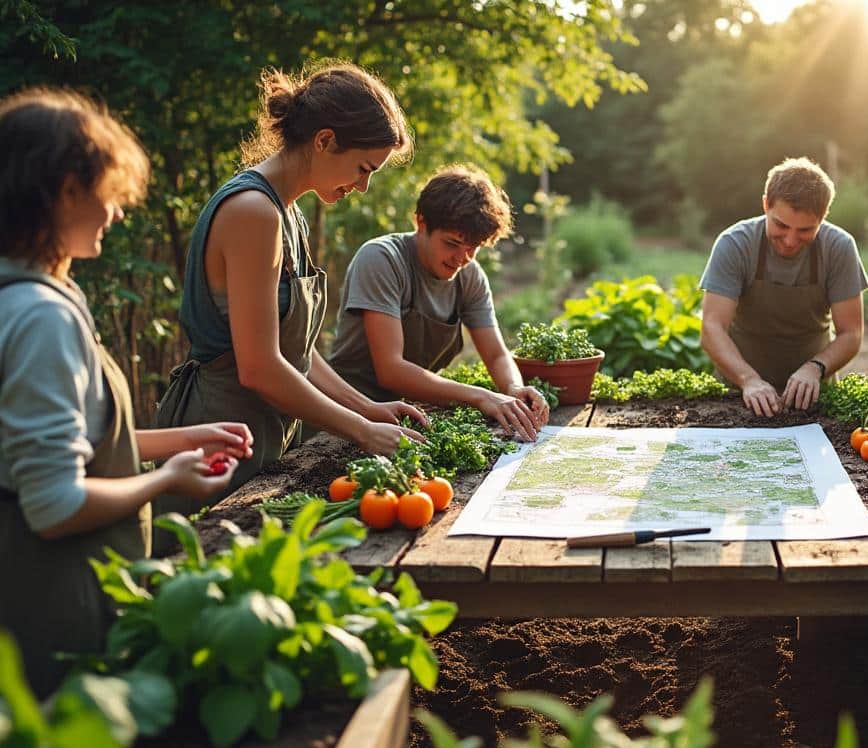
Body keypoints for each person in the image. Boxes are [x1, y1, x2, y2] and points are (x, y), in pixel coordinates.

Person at [0, 88, 248, 695]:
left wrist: (175, 441)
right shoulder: (39, 317)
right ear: (63, 190)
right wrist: (168, 480)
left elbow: (52, 446)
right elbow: (55, 505)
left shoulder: (25, 296)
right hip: (51, 599)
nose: (115, 213)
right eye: (107, 194)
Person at [155, 62, 426, 514]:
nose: (362, 186)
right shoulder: (253, 212)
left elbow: (294, 350)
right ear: (324, 141)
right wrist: (361, 430)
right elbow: (259, 367)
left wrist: (370, 408)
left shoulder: (289, 213)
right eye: (363, 168)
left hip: (261, 432)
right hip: (217, 437)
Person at [327, 164, 549, 439]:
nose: (462, 258)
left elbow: (495, 354)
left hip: (408, 414)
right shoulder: (381, 260)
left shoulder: (469, 277)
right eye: (452, 243)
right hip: (347, 415)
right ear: (421, 222)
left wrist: (513, 388)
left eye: (473, 248)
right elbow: (391, 370)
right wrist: (482, 397)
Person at [699, 157, 868, 416]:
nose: (790, 240)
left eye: (805, 230)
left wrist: (815, 368)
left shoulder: (838, 247)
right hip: (739, 390)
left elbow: (851, 333)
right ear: (766, 204)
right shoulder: (735, 244)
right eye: (781, 225)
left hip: (812, 394)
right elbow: (712, 327)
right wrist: (748, 380)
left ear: (823, 217)